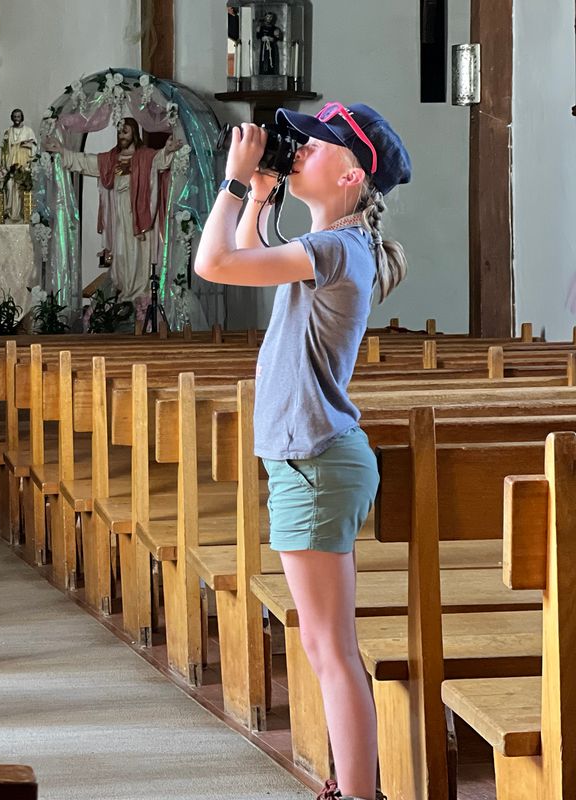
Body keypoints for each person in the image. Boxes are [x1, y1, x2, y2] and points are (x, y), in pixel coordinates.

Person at [193, 102, 411, 800]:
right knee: (325, 647)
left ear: (351, 175)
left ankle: (358, 794)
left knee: (330, 651)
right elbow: (249, 255)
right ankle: (353, 789)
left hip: (315, 461)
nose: (302, 149)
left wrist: (233, 183)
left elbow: (215, 263)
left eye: (318, 145)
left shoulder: (336, 250)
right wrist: (261, 195)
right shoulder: (334, 246)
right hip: (315, 460)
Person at [44, 117, 184, 304]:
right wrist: (63, 151)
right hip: (118, 217)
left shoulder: (145, 156)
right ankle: (124, 292)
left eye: (125, 132)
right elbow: (87, 161)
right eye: (119, 132)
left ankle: (138, 295)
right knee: (120, 255)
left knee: (138, 256)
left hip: (140, 218)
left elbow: (160, 161)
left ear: (134, 133)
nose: (122, 136)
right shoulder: (111, 159)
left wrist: (167, 150)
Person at [1, 108, 37, 222]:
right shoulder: (8, 131)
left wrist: (24, 145)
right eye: (15, 116)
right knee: (10, 186)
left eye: (19, 116)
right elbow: (4, 150)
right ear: (12, 118)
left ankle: (23, 214)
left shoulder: (28, 131)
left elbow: (35, 146)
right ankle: (11, 212)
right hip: (11, 164)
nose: (17, 118)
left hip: (23, 163)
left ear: (22, 118)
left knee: (22, 187)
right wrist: (5, 165)